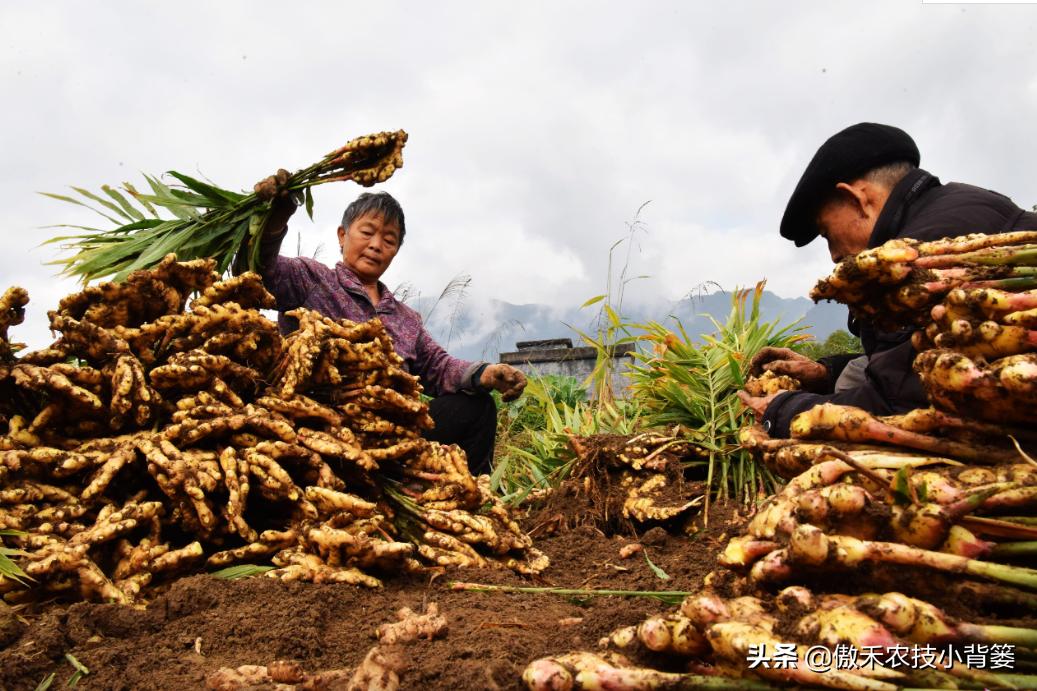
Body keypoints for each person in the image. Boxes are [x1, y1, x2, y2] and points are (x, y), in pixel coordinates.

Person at [738, 122, 1037, 437]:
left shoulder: (923, 258)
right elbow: (912, 360)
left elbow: (900, 406)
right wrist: (825, 372)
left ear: (856, 199)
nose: (833, 256)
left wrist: (780, 411)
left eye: (827, 233)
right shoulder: (966, 204)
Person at [244, 170, 527, 473]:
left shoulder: (406, 318)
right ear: (342, 235)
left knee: (477, 407)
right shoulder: (311, 279)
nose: (376, 244)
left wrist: (485, 374)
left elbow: (439, 368)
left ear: (395, 251)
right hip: (323, 429)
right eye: (367, 232)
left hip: (395, 434)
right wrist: (275, 219)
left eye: (388, 239)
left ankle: (474, 502)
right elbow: (260, 271)